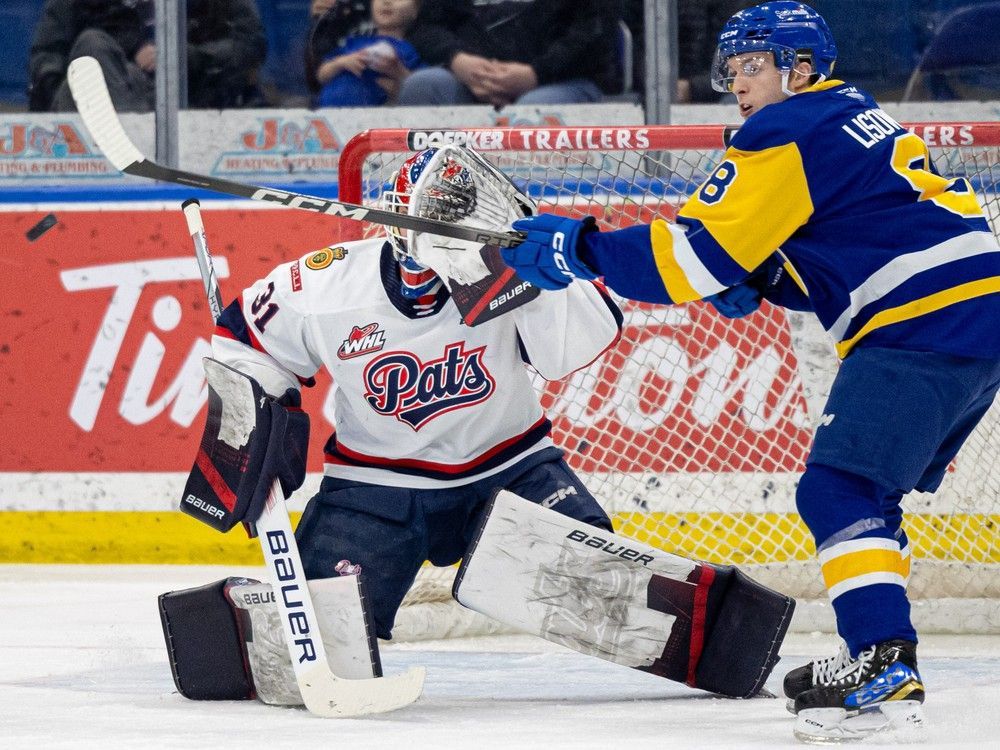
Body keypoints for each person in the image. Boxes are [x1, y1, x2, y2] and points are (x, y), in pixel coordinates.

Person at [499, 1, 1000, 740]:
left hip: (924, 321)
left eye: (752, 65)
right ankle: (878, 652)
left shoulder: (785, 129)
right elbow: (854, 238)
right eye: (731, 69)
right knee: (863, 495)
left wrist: (585, 249)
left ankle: (882, 663)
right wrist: (769, 278)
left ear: (800, 68)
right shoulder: (851, 115)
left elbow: (694, 258)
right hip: (974, 317)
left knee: (839, 489)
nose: (737, 83)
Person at [209, 147, 623, 641]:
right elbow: (243, 341)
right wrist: (255, 423)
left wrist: (543, 278)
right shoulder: (326, 282)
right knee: (321, 634)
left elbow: (567, 353)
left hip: (511, 472)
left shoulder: (514, 271)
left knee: (603, 594)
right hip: (376, 487)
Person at [28, 0, 266, 112]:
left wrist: (182, 56)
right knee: (93, 46)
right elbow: (46, 59)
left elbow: (250, 45)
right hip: (91, 115)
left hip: (187, 111)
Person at [397, 0, 617, 107]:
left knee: (531, 111)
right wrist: (457, 59)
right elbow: (425, 27)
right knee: (423, 86)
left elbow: (595, 33)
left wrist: (536, 74)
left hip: (559, 82)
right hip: (471, 82)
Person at [308, 0, 422, 108]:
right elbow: (322, 75)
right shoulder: (353, 41)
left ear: (414, 11)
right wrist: (341, 63)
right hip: (324, 115)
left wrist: (398, 73)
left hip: (370, 119)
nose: (387, 2)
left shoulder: (410, 51)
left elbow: (419, 90)